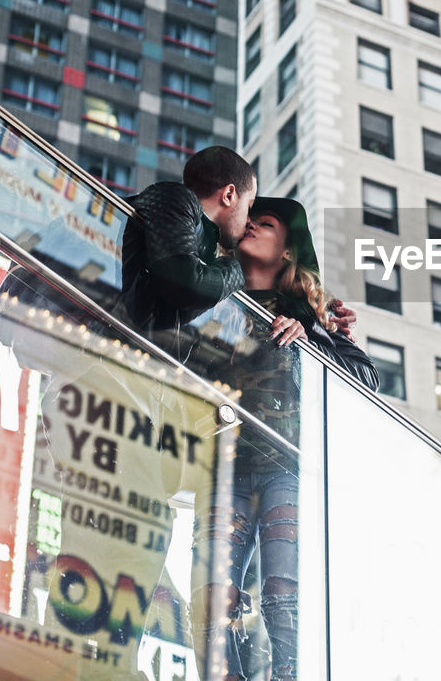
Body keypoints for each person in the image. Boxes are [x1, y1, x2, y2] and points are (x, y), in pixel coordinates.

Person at [192, 196, 377, 681]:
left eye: (265, 222)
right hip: (223, 464)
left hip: (288, 466)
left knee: (284, 595)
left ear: (289, 251)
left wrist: (314, 342)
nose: (250, 225)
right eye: (247, 220)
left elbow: (366, 386)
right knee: (208, 596)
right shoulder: (211, 298)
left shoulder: (317, 320)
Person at [120, 145, 257, 336]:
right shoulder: (175, 197)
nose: (249, 220)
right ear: (228, 195)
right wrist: (236, 271)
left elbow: (160, 317)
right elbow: (185, 288)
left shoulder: (202, 248)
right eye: (249, 206)